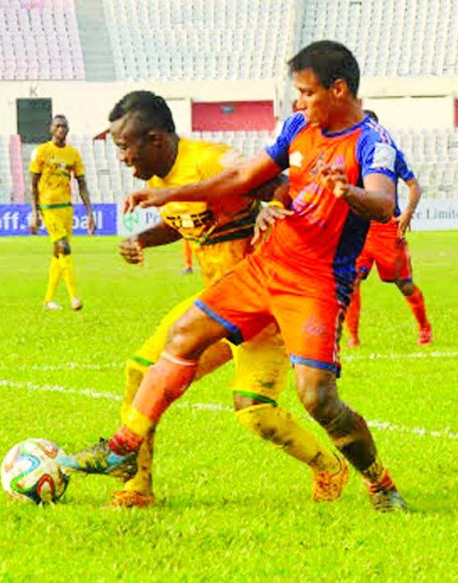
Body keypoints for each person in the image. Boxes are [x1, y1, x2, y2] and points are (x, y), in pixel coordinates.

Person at [60, 41, 407, 512]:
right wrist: (168, 197)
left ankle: (378, 481)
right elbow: (244, 177)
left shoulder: (373, 143)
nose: (298, 102)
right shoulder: (296, 127)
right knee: (182, 335)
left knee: (318, 399)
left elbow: (384, 203)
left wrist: (347, 191)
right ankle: (123, 448)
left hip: (316, 283)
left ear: (338, 89)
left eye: (306, 92)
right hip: (265, 266)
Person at [106, 90, 348, 507]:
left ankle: (329, 466)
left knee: (255, 410)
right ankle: (137, 487)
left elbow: (277, 183)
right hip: (216, 305)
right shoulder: (161, 179)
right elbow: (184, 222)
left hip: (264, 305)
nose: (123, 157)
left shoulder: (212, 160)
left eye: (126, 146)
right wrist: (142, 238)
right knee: (140, 372)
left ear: (156, 139)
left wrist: (272, 205)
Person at [345, 110, 432, 347]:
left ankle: (424, 328)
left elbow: (414, 186)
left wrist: (407, 213)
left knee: (404, 284)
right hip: (360, 227)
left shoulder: (388, 151)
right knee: (352, 279)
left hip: (386, 228)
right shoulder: (350, 151)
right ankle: (353, 336)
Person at [29, 114, 95, 310]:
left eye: (64, 127)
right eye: (57, 126)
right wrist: (35, 213)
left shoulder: (73, 154)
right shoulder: (41, 152)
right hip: (48, 208)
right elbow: (33, 185)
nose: (61, 130)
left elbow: (82, 184)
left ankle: (48, 300)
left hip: (66, 208)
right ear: (51, 129)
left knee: (59, 254)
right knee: (64, 247)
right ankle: (74, 297)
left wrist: (89, 213)